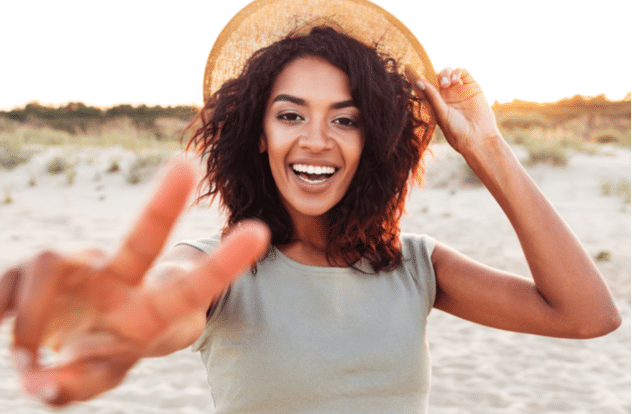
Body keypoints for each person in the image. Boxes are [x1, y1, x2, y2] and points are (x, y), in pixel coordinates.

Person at [0, 0, 621, 412]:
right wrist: (123, 318)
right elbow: (168, 302)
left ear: (371, 142)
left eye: (344, 119)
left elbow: (586, 314)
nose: (316, 139)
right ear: (257, 134)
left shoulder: (416, 266)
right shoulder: (218, 271)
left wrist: (487, 147)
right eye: (290, 114)